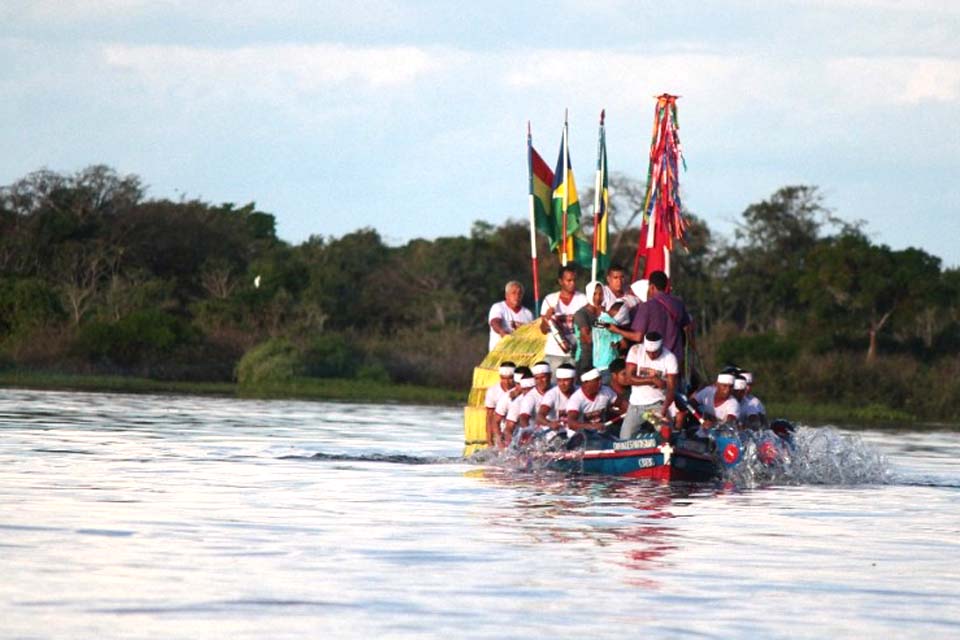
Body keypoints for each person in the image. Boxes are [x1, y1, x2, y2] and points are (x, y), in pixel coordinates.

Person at [609, 270, 693, 374]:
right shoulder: (678, 303)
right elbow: (688, 329)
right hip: (675, 360)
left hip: (654, 361)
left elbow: (637, 336)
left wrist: (616, 329)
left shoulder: (646, 307)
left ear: (651, 287)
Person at [620, 331, 678, 440]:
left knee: (666, 436)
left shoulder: (670, 358)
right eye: (648, 352)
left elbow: (671, 388)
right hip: (635, 406)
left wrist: (664, 409)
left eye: (655, 352)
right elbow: (629, 378)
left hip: (656, 406)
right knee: (625, 439)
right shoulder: (635, 350)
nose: (651, 355)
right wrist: (652, 380)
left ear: (661, 347)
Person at [540, 265, 588, 374]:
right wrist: (547, 317)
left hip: (575, 353)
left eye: (574, 280)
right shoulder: (550, 299)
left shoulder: (583, 299)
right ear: (560, 281)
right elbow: (543, 330)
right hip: (554, 353)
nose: (572, 283)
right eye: (569, 280)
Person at [488, 281, 534, 352]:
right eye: (514, 293)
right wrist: (501, 331)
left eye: (519, 293)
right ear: (506, 295)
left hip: (519, 354)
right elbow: (494, 322)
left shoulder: (528, 314)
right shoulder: (498, 307)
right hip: (499, 353)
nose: (517, 296)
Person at [573, 280, 604, 376]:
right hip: (585, 359)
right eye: (594, 294)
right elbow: (588, 339)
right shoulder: (581, 314)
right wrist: (601, 318)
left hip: (601, 359)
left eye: (600, 294)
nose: (598, 297)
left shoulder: (605, 312)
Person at [483, 361, 515, 446]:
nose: (507, 382)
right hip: (500, 431)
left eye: (510, 378)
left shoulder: (520, 389)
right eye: (504, 378)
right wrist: (490, 441)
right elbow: (489, 418)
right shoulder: (492, 391)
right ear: (500, 377)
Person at [537, 364, 577, 431]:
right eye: (559, 380)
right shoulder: (551, 394)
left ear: (574, 380)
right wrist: (550, 424)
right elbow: (540, 416)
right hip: (555, 434)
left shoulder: (580, 392)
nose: (562, 384)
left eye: (565, 380)